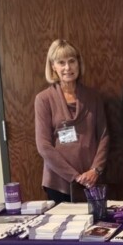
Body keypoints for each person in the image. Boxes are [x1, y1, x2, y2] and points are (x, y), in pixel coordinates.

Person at [33, 39, 109, 203]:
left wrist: (95, 170)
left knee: (95, 228)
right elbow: (43, 146)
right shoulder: (44, 99)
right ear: (53, 66)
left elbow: (104, 136)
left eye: (72, 61)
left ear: (78, 63)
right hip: (58, 182)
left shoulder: (93, 97)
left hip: (92, 181)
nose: (67, 68)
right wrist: (74, 176)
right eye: (61, 62)